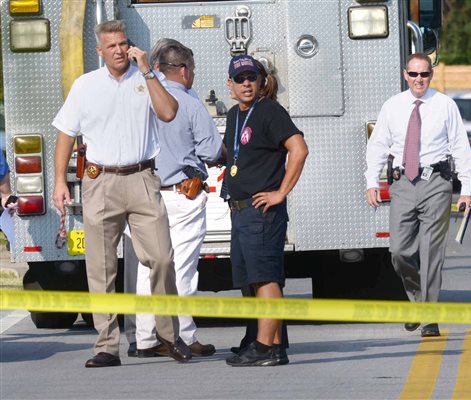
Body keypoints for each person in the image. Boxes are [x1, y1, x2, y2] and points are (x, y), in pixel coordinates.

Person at [52, 20, 192, 368]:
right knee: (101, 268)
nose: (119, 50)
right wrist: (58, 181)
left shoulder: (146, 79)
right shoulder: (85, 86)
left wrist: (146, 71)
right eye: (111, 45)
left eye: (123, 44)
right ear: (99, 51)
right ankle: (106, 346)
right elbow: (66, 134)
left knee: (161, 258)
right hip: (100, 181)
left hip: (142, 178)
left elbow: (169, 112)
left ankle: (168, 337)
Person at [365, 53, 471, 337]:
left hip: (436, 182)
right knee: (399, 252)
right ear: (405, 75)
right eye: (413, 74)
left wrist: (467, 189)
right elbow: (378, 146)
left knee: (430, 254)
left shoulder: (445, 105)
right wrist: (371, 182)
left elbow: (460, 147)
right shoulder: (393, 106)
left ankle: (429, 318)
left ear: (431, 75)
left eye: (424, 74)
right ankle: (417, 303)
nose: (419, 80)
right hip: (402, 184)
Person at [123, 38, 221, 358]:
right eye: (192, 69)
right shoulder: (189, 103)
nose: (193, 75)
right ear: (182, 70)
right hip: (181, 195)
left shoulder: (137, 99)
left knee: (147, 267)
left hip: (141, 194)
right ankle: (183, 334)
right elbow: (210, 151)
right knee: (182, 269)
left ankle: (145, 338)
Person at [223, 55, 308, 366]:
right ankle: (270, 344)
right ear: (229, 84)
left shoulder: (270, 111)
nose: (247, 83)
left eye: (252, 77)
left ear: (261, 81)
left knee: (266, 277)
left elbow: (299, 149)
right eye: (240, 78)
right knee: (253, 280)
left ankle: (265, 346)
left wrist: (280, 193)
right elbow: (237, 155)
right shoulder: (235, 115)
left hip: (262, 212)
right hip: (240, 210)